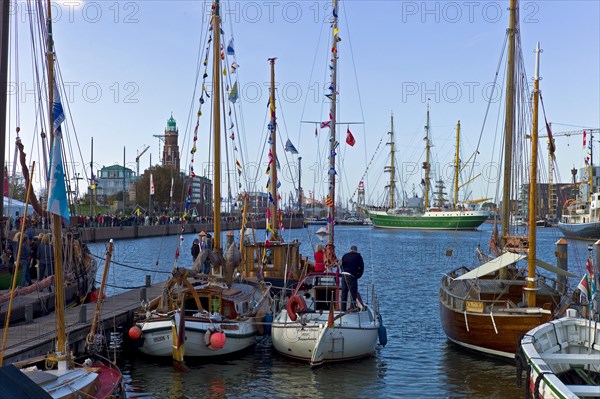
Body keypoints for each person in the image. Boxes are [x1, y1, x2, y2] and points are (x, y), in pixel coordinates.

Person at [340, 245, 364, 311]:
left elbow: (341, 266)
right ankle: (352, 307)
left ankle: (343, 309)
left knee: (344, 293)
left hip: (344, 275)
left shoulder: (345, 256)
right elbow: (361, 268)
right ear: (356, 250)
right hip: (352, 276)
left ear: (350, 250)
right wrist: (358, 276)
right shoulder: (358, 257)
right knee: (353, 292)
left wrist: (343, 272)